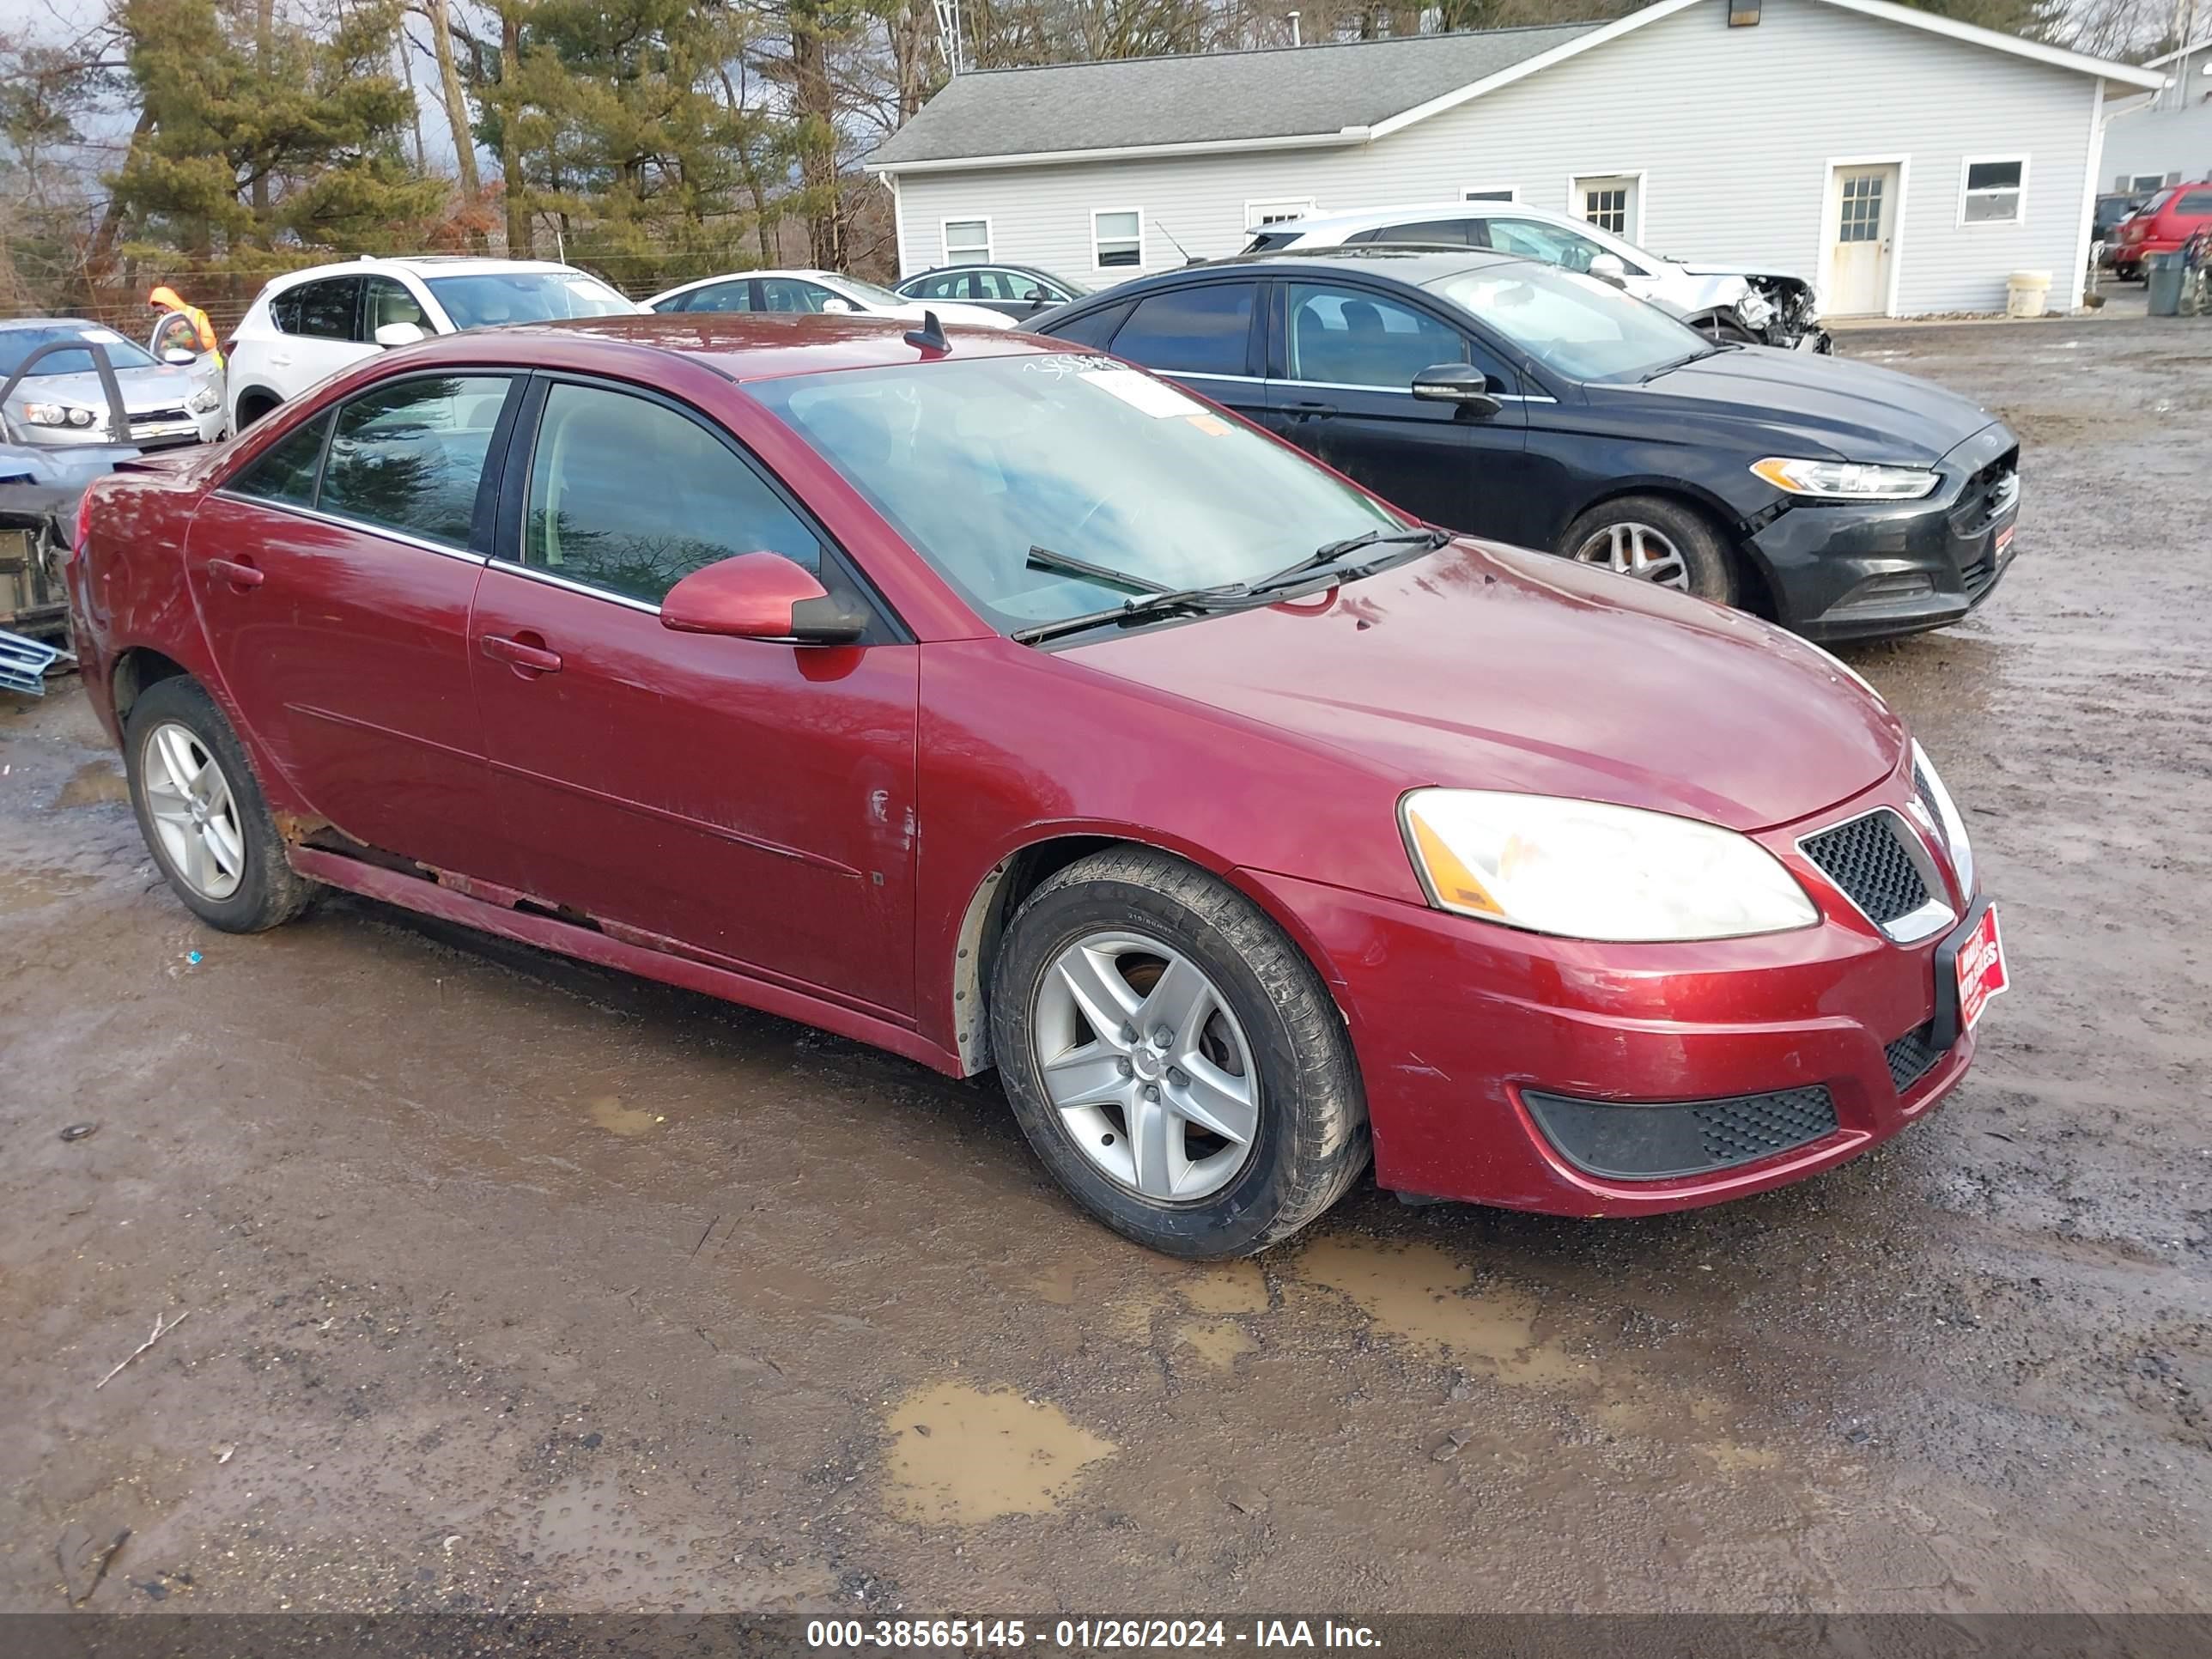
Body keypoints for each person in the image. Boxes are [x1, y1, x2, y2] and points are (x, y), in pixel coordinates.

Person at [147, 284, 222, 369]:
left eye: (166, 307)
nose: (164, 311)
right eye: (160, 310)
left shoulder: (195, 314)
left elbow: (210, 342)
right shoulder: (165, 320)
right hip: (180, 366)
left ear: (171, 302)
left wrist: (188, 342)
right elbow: (161, 346)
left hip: (207, 364)